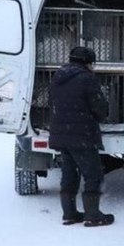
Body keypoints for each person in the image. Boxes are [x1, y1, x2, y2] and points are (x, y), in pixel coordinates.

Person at [49, 46, 114, 227]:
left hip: (62, 134)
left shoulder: (58, 76)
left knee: (69, 174)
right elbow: (99, 108)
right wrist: (103, 113)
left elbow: (51, 101)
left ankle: (69, 213)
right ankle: (93, 215)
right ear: (87, 63)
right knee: (93, 175)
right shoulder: (87, 79)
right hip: (82, 135)